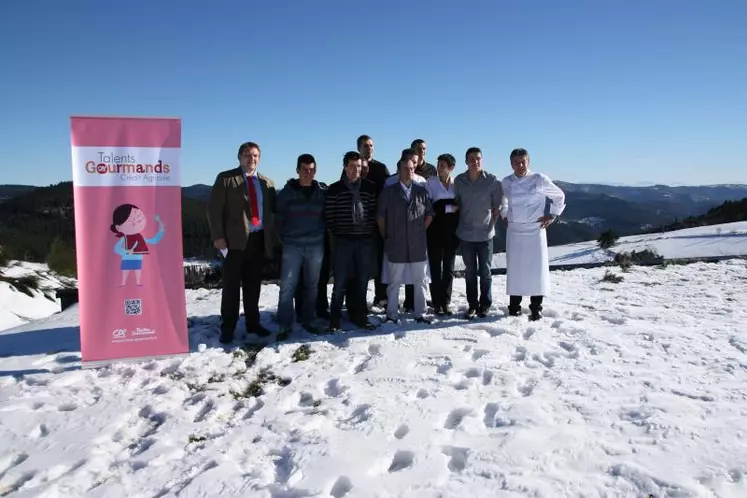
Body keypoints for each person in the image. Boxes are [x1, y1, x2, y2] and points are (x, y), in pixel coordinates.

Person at [207, 141, 279, 343]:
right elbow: (214, 210)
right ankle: (228, 327)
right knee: (231, 286)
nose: (251, 158)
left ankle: (253, 323)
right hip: (233, 242)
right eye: (247, 155)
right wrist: (218, 237)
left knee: (253, 286)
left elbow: (271, 213)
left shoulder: (268, 183)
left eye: (255, 155)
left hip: (258, 240)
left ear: (259, 158)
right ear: (239, 157)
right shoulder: (226, 179)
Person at [500, 148, 566, 321]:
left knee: (536, 270)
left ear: (528, 162)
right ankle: (514, 306)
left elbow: (559, 195)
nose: (520, 165)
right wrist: (505, 214)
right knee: (515, 270)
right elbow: (503, 201)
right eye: (516, 162)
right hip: (514, 230)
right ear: (511, 164)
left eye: (523, 162)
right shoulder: (506, 181)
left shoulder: (539, 179)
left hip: (535, 229)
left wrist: (552, 215)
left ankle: (535, 308)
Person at [377, 149, 434, 323]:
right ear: (398, 171)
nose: (408, 171)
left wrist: (419, 231)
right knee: (394, 282)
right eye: (404, 169)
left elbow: (430, 215)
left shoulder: (421, 192)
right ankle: (392, 314)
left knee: (421, 281)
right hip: (396, 244)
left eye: (411, 168)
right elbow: (380, 218)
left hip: (417, 245)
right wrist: (387, 236)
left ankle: (421, 313)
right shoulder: (388, 192)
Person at [274, 154, 327, 340]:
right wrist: (286, 239)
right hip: (292, 245)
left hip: (315, 245)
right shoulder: (286, 193)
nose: (308, 173)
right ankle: (284, 324)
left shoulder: (322, 191)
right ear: (297, 170)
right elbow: (278, 220)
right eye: (304, 169)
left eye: (311, 169)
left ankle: (308, 319)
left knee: (312, 285)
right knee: (288, 285)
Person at [325, 151, 379, 331]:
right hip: (344, 241)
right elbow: (329, 216)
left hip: (364, 241)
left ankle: (359, 315)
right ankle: (335, 317)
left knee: (362, 280)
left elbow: (372, 213)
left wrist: (366, 231)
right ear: (345, 167)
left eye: (359, 166)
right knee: (340, 281)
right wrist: (341, 232)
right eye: (352, 166)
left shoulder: (369, 188)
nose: (356, 170)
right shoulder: (335, 189)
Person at [454, 147, 503, 319]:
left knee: (485, 272)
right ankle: (472, 305)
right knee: (470, 272)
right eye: (471, 159)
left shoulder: (492, 181)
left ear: (482, 160)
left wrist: (492, 225)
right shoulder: (459, 181)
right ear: (466, 161)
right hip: (466, 234)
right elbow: (456, 204)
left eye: (478, 158)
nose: (475, 162)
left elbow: (497, 207)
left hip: (485, 235)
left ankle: (485, 304)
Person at [425, 153, 459, 316]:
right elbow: (430, 207)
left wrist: (444, 207)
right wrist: (449, 208)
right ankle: (436, 302)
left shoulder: (456, 184)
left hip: (452, 232)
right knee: (435, 268)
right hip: (435, 231)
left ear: (451, 168)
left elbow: (462, 205)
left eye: (443, 165)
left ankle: (446, 301)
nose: (439, 168)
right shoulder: (430, 183)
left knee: (449, 268)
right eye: (438, 165)